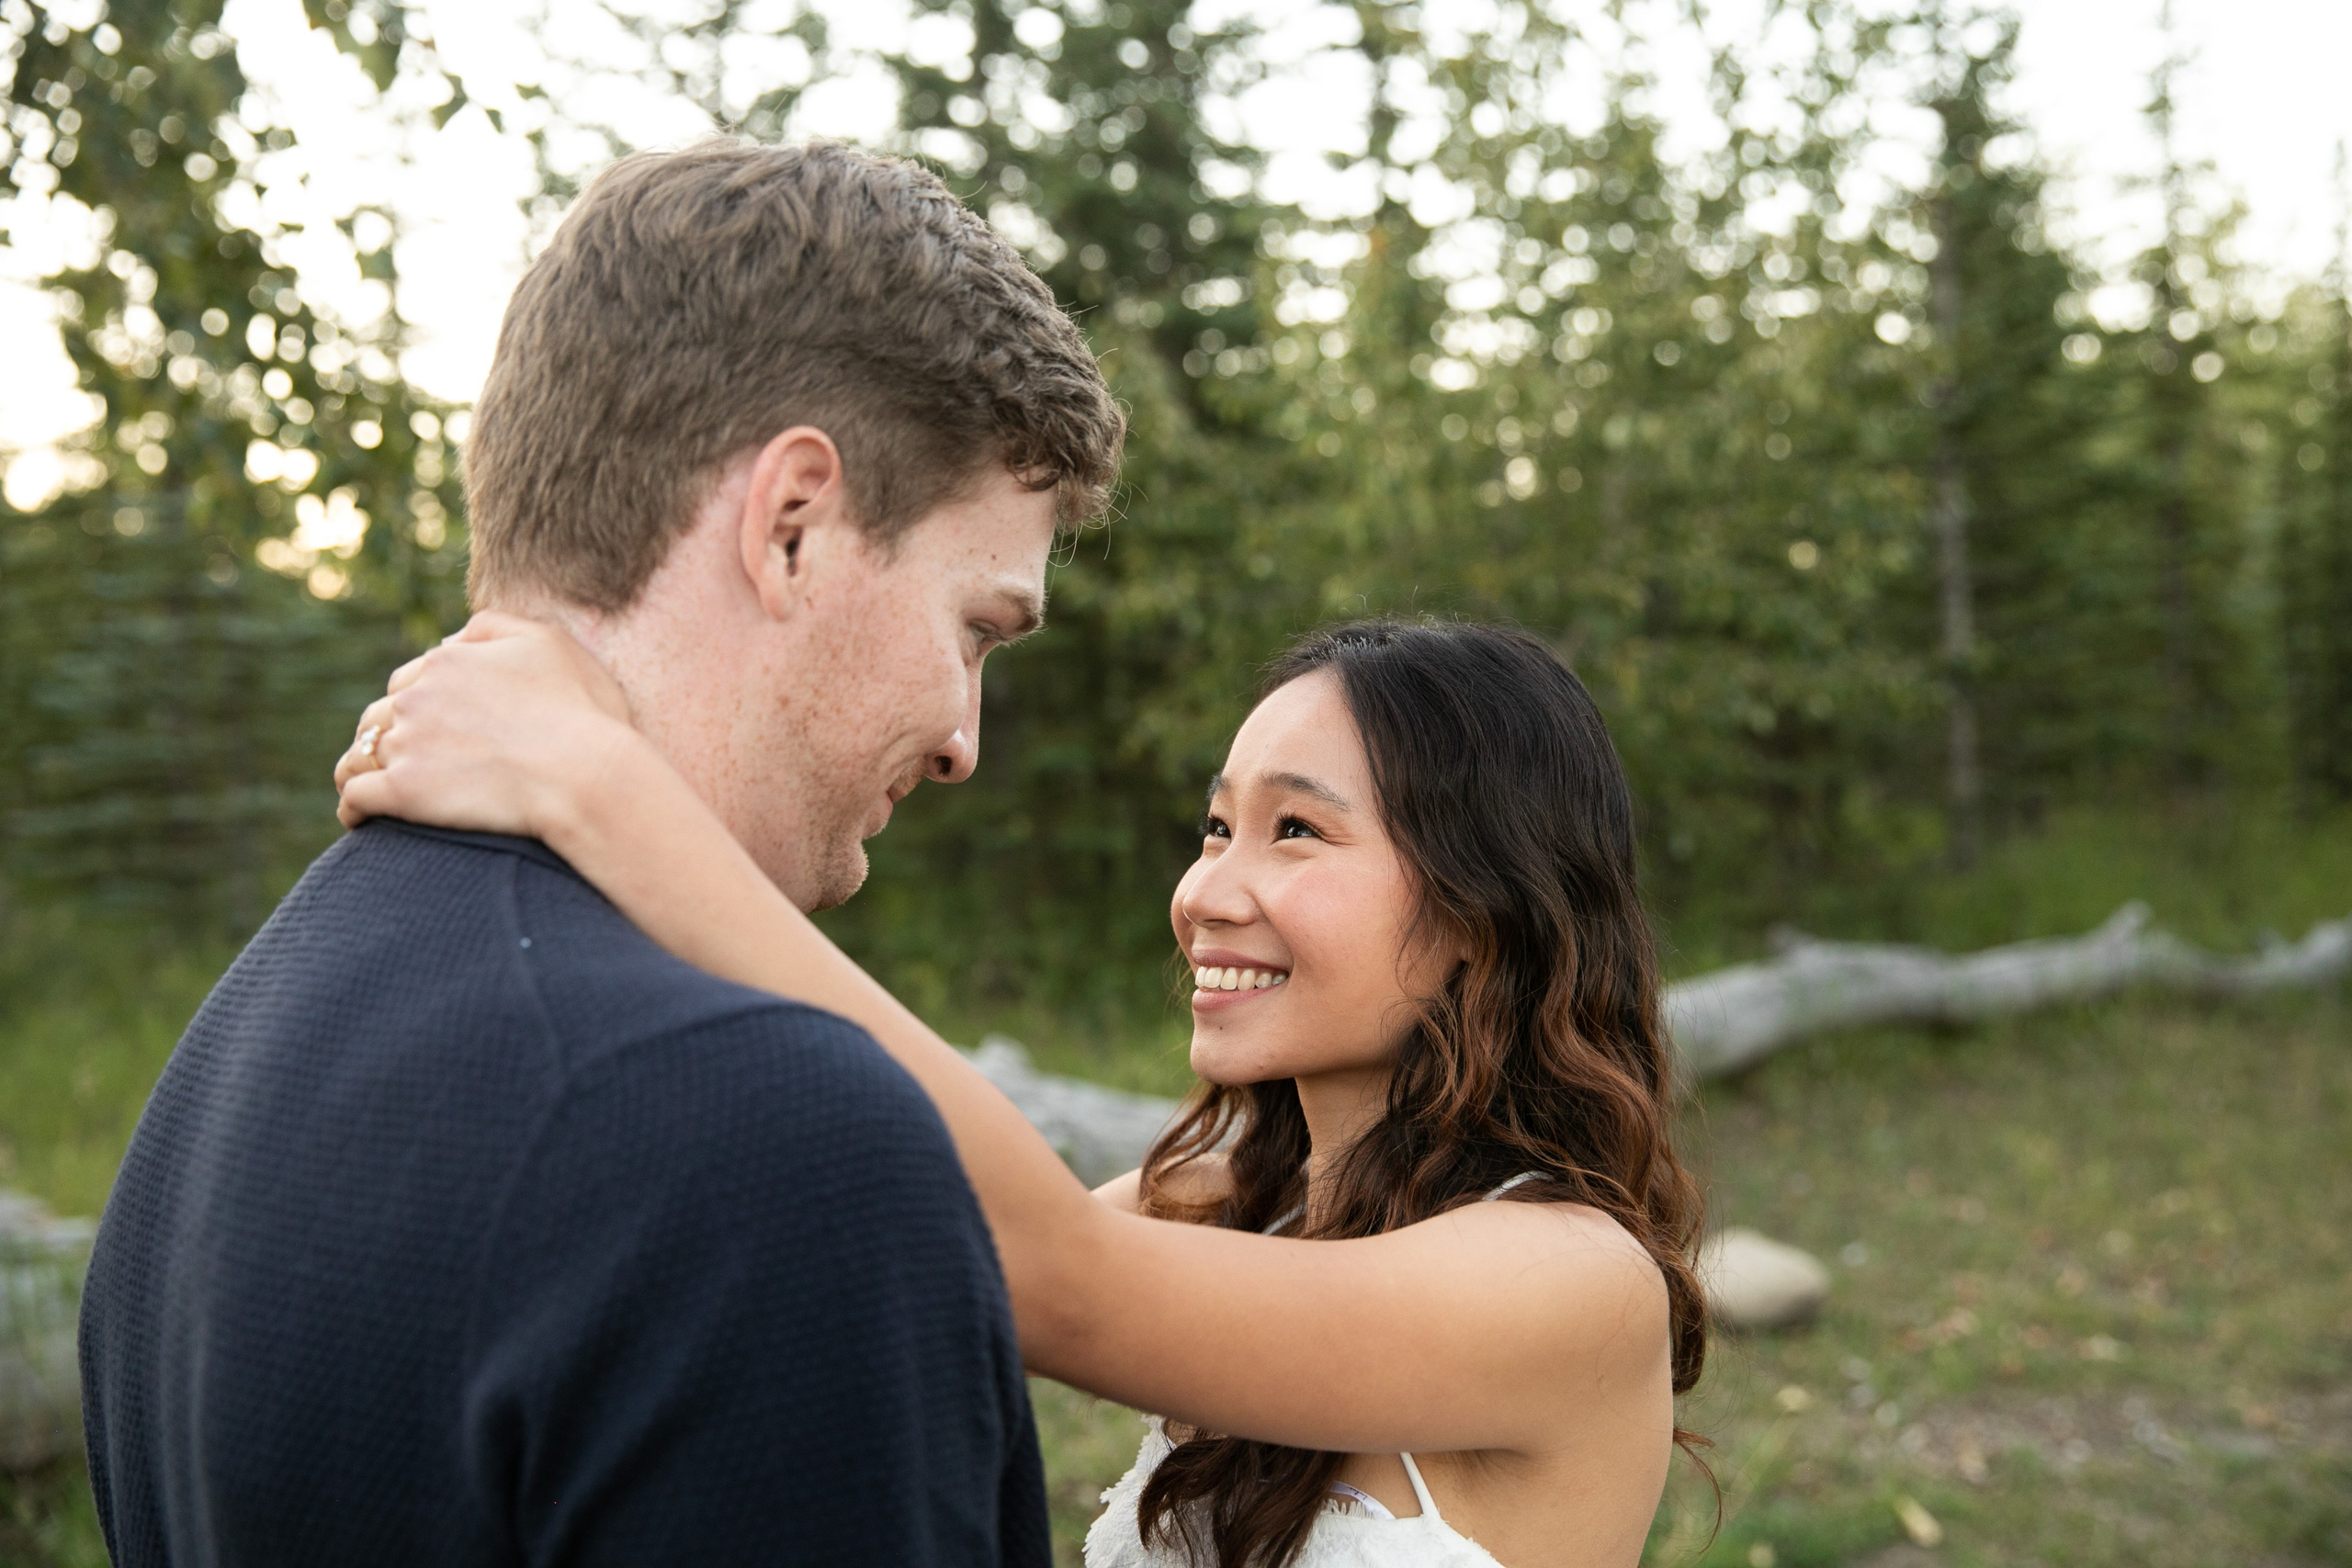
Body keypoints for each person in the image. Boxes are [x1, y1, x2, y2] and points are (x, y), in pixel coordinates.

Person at [77, 137, 1124, 1568]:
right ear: (795, 525)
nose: (962, 738)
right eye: (977, 630)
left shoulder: (222, 1059)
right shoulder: (779, 1154)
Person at [335, 614, 1712, 1568]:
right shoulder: (1238, 1200)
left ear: (1487, 910)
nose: (1207, 894)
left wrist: (599, 785)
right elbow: (905, 1239)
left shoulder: (1571, 1283)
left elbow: (1054, 1274)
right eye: (1217, 826)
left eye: (1298, 831)